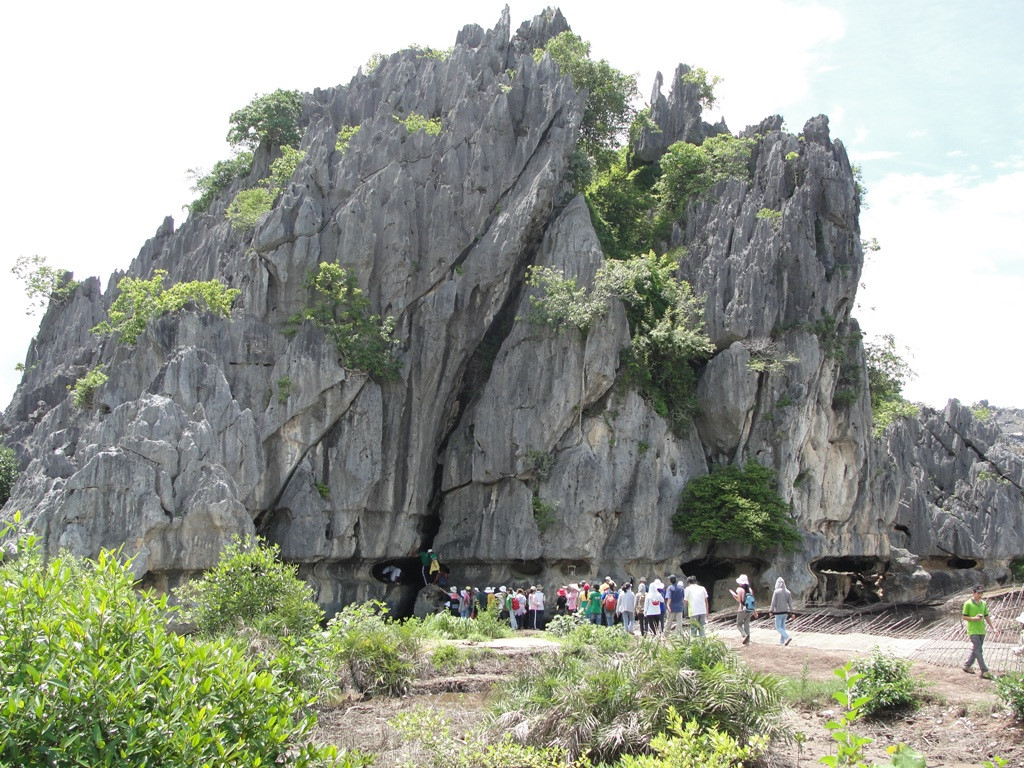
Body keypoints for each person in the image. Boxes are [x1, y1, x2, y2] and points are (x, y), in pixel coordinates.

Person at [962, 585, 999, 679]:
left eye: (982, 593)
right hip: (973, 630)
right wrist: (974, 618)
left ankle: (967, 665)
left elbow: (986, 616)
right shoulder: (968, 603)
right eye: (978, 593)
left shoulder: (983, 603)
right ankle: (984, 670)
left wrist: (993, 628)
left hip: (982, 630)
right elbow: (964, 617)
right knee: (979, 650)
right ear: (973, 593)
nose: (980, 595)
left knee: (976, 649)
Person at [730, 574, 754, 646]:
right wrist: (754, 611)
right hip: (749, 609)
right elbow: (752, 601)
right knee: (747, 625)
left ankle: (744, 635)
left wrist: (733, 595)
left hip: (741, 609)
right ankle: (747, 643)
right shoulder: (750, 590)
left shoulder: (739, 589)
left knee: (739, 625)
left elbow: (739, 600)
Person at [770, 577, 794, 646]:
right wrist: (792, 612)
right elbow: (790, 603)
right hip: (785, 612)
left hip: (778, 612)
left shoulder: (776, 591)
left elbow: (773, 602)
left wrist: (771, 611)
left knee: (778, 627)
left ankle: (787, 637)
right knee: (782, 627)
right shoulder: (788, 592)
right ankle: (782, 642)